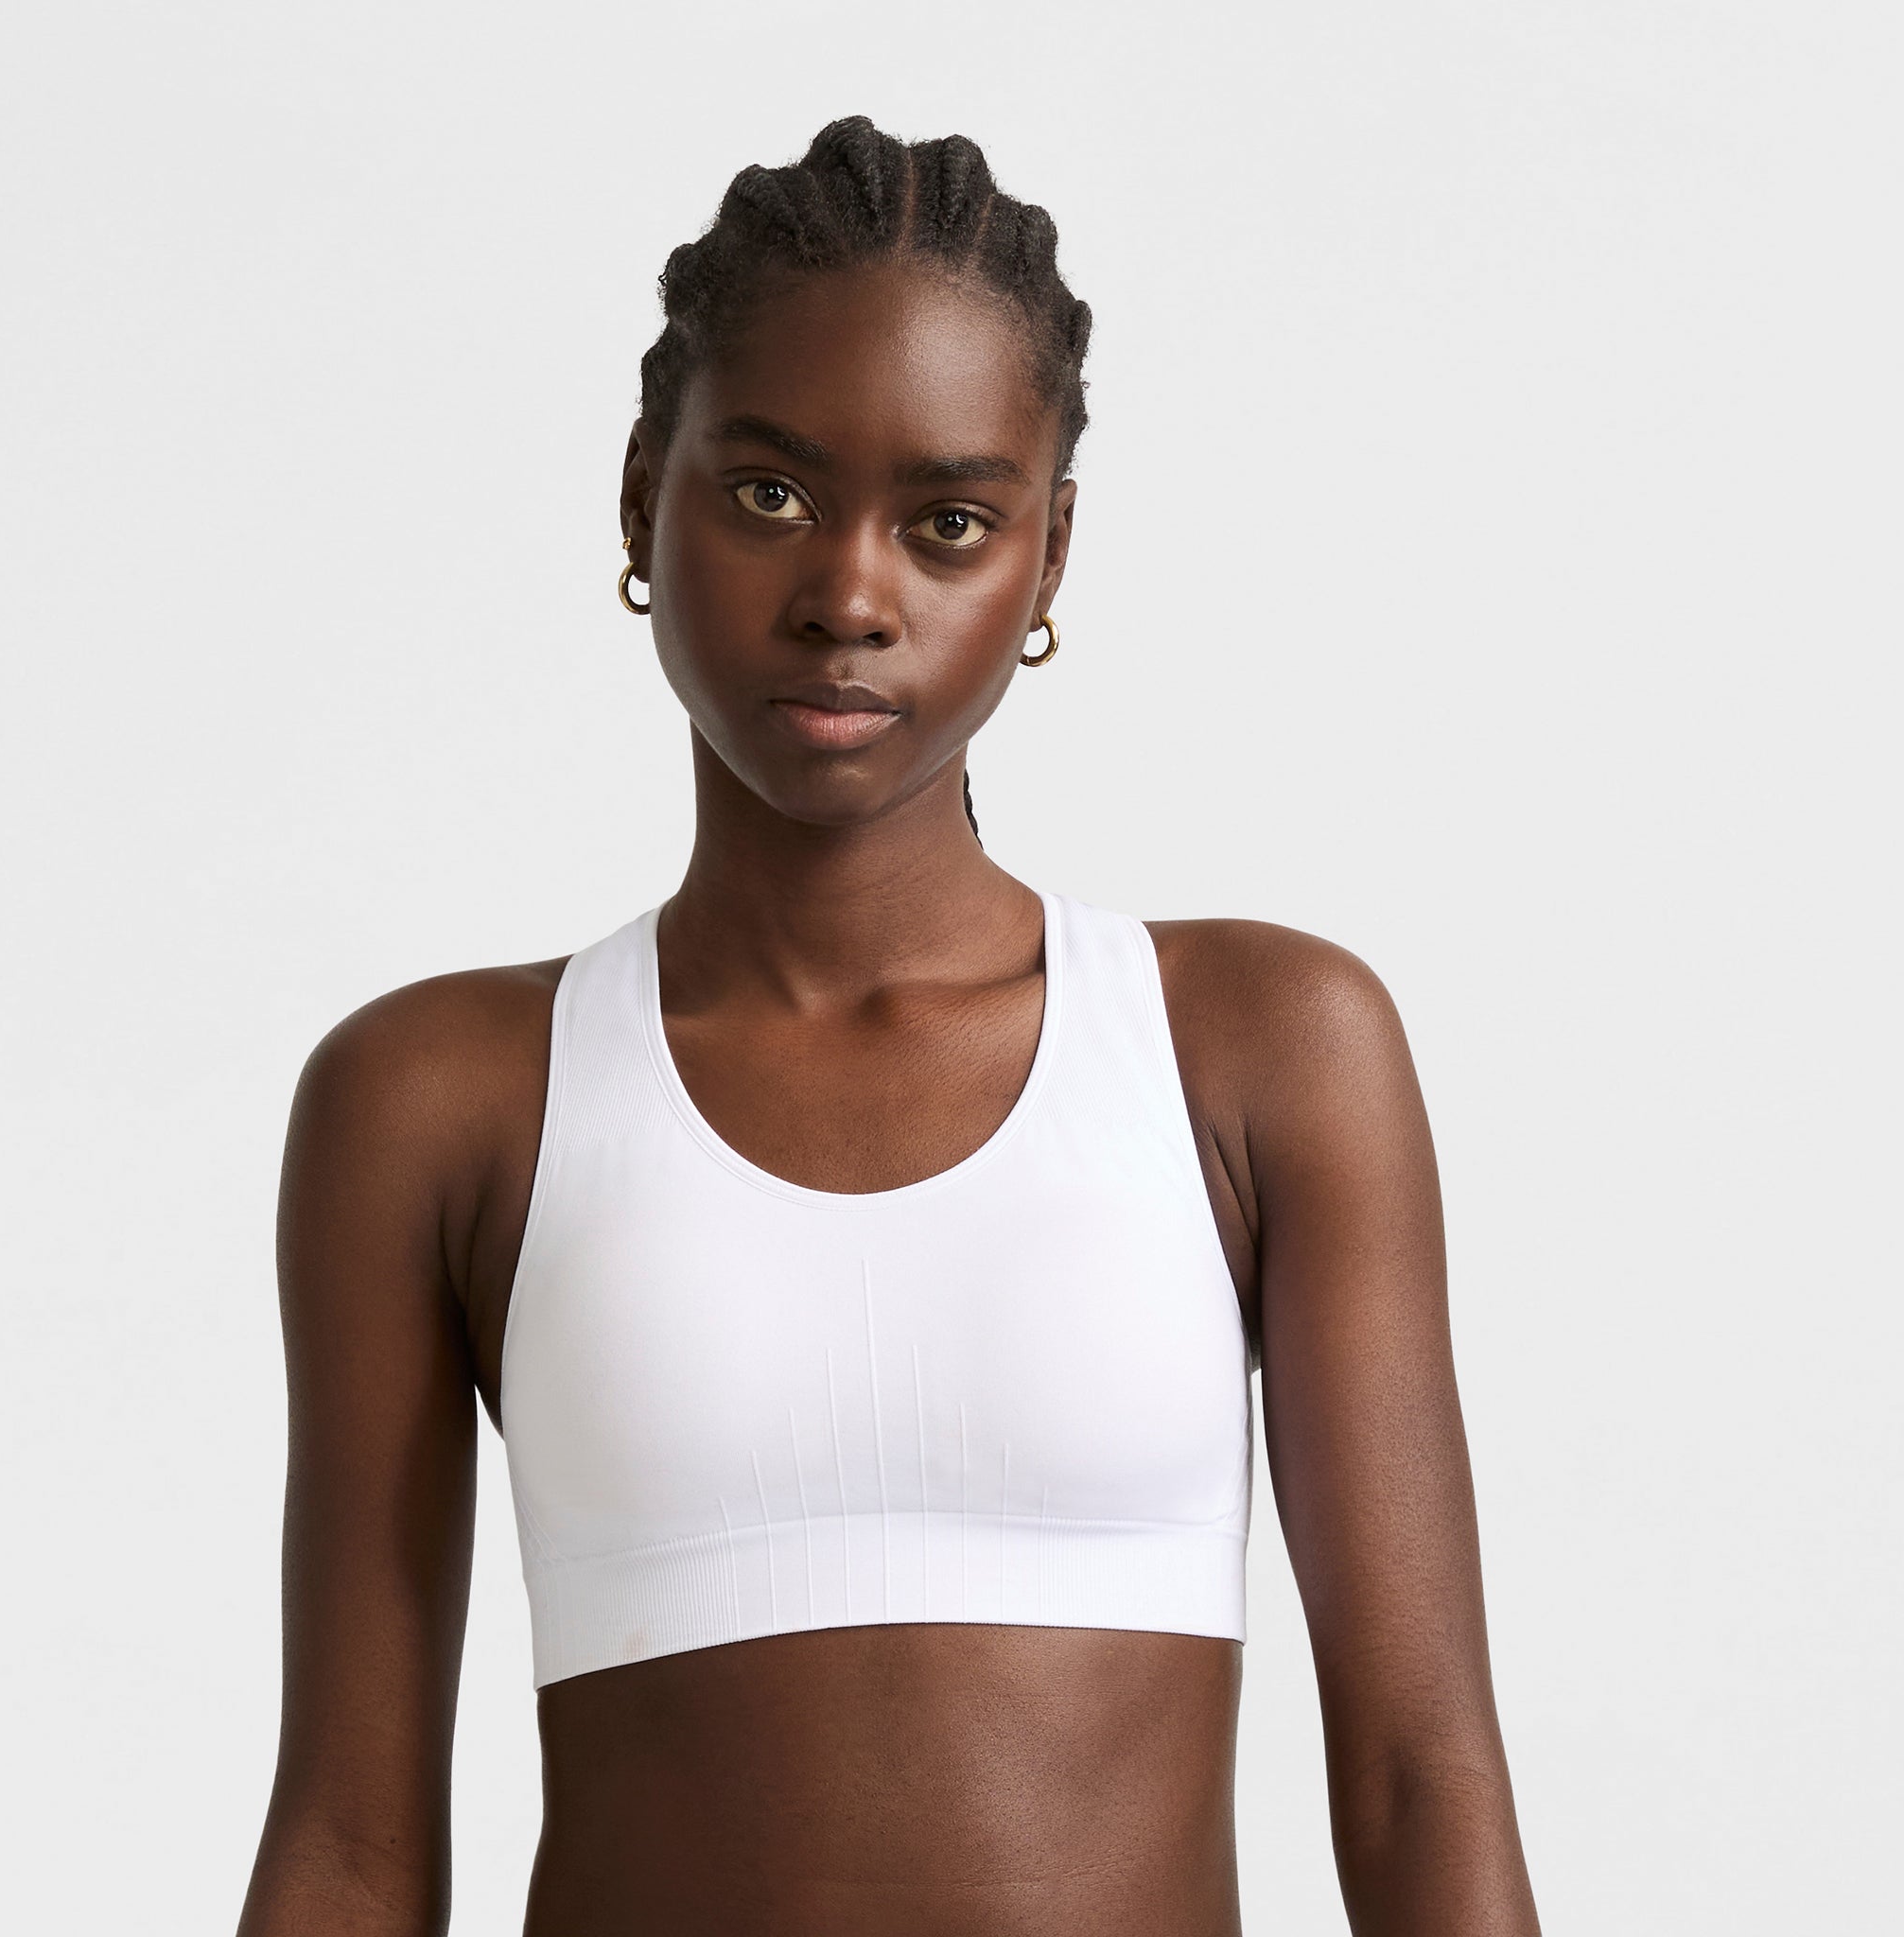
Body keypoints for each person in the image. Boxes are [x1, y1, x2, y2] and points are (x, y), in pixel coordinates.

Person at [236, 116, 1540, 1937]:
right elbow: (354, 1847)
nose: (851, 596)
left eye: (948, 522)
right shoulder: (445, 1102)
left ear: (1049, 554)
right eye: (767, 490)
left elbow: (1421, 1779)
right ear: (641, 497)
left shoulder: (1261, 1051)